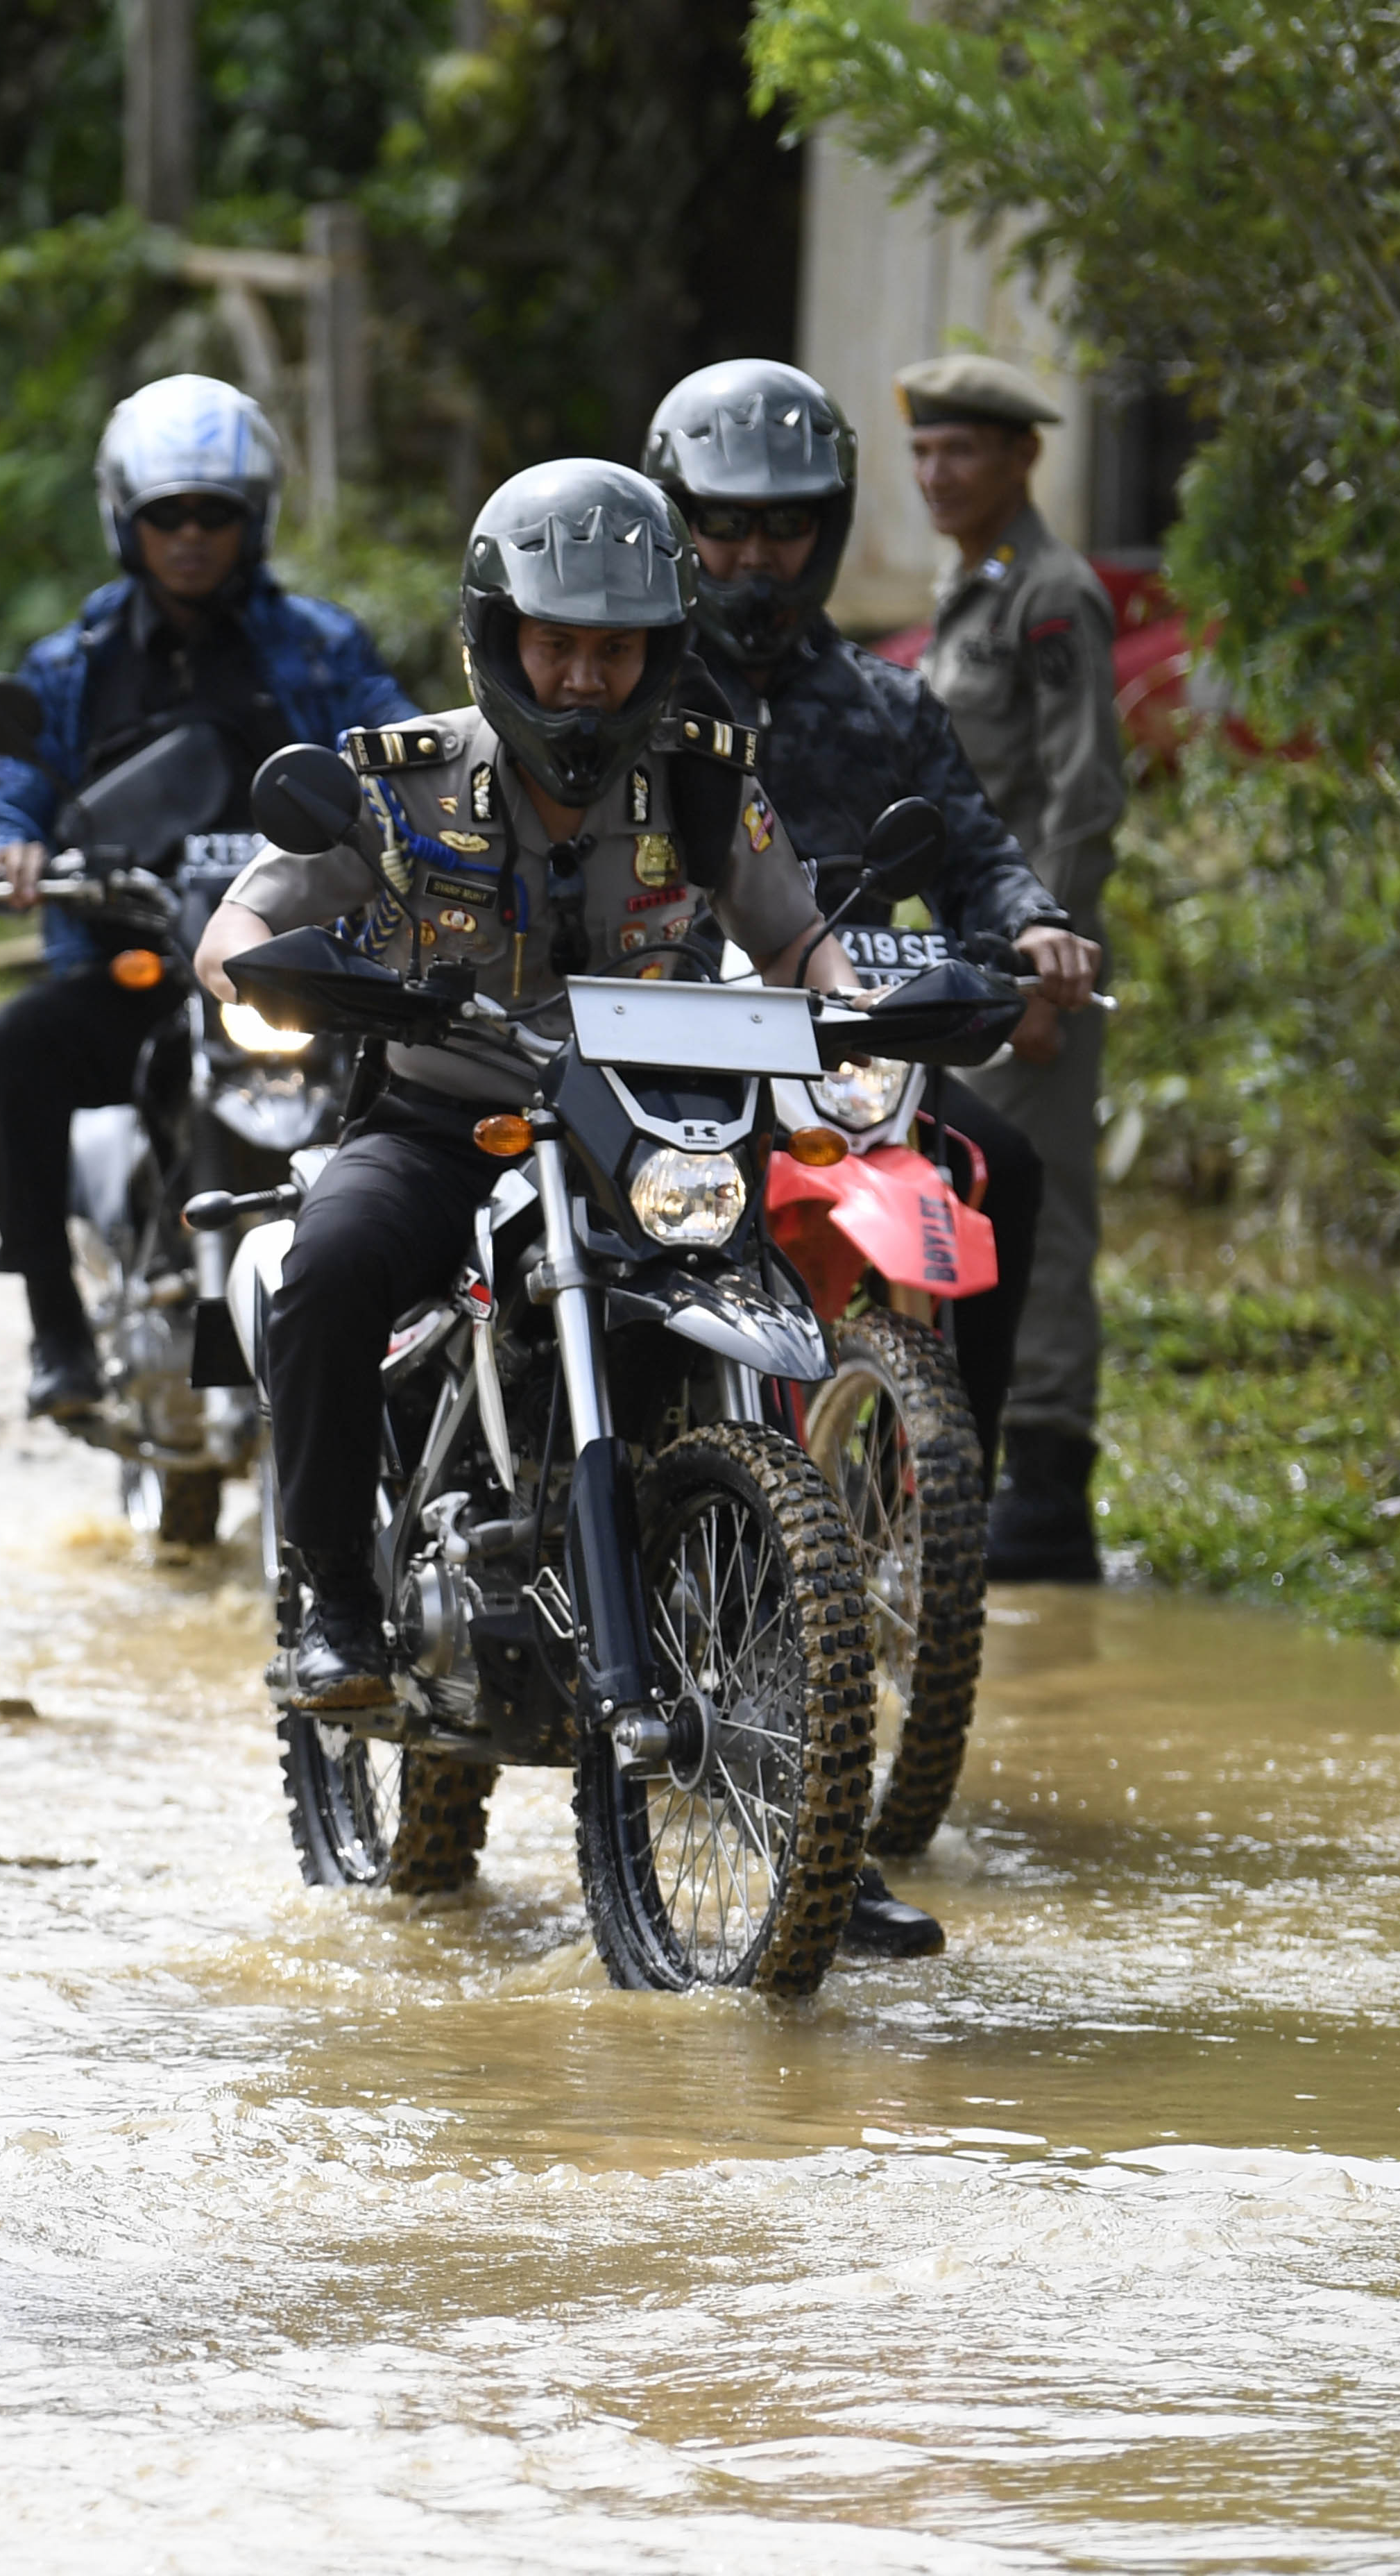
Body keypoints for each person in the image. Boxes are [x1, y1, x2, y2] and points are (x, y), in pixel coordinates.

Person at [191, 459, 860, 1711]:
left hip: (651, 1136)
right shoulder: (399, 779)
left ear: (658, 655)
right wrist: (256, 977)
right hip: (446, 1124)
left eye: (614, 654)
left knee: (761, 1315)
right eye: (554, 646)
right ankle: (335, 1599)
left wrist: (848, 998)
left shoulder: (705, 780)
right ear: (496, 639)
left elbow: (792, 936)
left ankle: (806, 1756)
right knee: (324, 1269)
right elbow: (240, 922)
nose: (581, 682)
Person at [644, 360, 1098, 1454]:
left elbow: (976, 845)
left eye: (787, 527)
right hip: (659, 1049)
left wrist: (1031, 922)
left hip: (846, 1050)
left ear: (831, 525)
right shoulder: (629, 691)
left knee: (1004, 1169)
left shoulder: (887, 703)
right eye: (724, 526)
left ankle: (939, 1490)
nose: (757, 557)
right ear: (675, 522)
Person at [0, 375, 422, 1418]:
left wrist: (429, 808)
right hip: (134, 974)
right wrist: (3, 855)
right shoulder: (75, 665)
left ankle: (429, 1355)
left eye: (217, 514)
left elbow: (403, 750)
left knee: (443, 1083)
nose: (193, 536)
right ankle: (57, 1330)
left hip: (302, 971)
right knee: (9, 1054)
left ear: (254, 518)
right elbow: (1, 804)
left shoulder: (320, 647)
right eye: (170, 515)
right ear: (129, 518)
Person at [895, 354, 1127, 1583]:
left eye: (962, 452)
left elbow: (1080, 797)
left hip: (1035, 959)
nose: (936, 474)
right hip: (961, 961)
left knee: (1036, 1205)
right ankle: (964, 1468)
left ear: (1021, 458)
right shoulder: (969, 590)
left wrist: (1047, 974)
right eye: (923, 451)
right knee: (958, 1193)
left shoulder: (1050, 594)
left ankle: (1045, 1494)